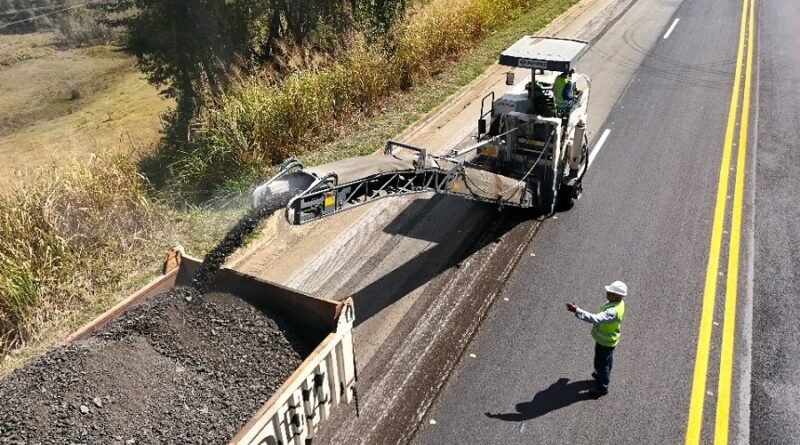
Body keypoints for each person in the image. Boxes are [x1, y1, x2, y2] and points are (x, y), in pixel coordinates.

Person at [566, 280, 627, 397]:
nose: (607, 293)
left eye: (609, 292)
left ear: (617, 295)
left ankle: (602, 386)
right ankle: (603, 376)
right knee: (606, 360)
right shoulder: (619, 303)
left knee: (601, 363)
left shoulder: (612, 312)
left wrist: (577, 311)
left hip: (605, 341)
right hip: (608, 340)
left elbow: (595, 318)